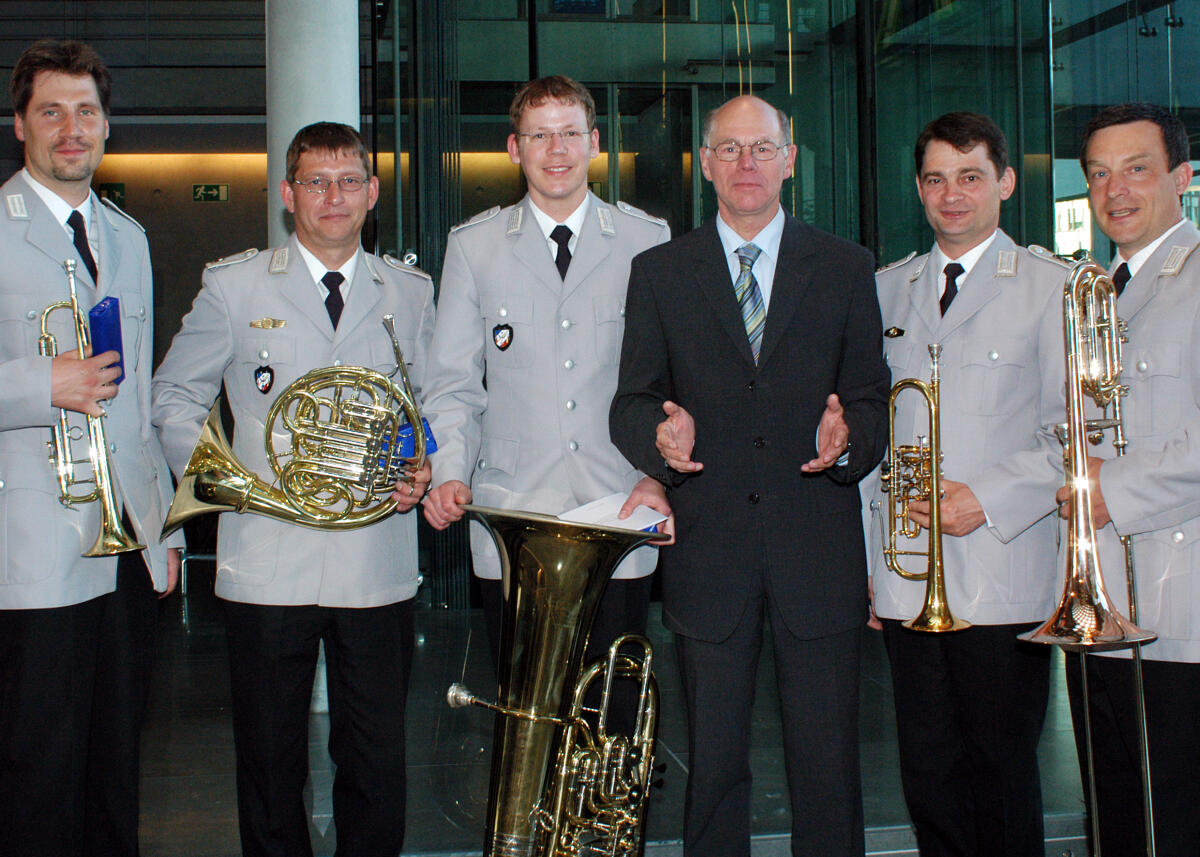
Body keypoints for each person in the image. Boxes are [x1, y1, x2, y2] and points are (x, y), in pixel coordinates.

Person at [609, 94, 889, 857]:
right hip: (710, 555)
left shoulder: (844, 266)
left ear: (790, 160)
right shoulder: (661, 273)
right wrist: (658, 438)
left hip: (817, 555)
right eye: (728, 150)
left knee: (829, 771)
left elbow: (871, 399)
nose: (745, 164)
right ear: (704, 165)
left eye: (761, 148)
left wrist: (850, 437)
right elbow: (629, 400)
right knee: (715, 771)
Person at [151, 122, 434, 857]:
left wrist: (429, 460)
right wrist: (231, 478)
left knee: (376, 763)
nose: (333, 196)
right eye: (316, 181)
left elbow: (439, 403)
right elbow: (172, 398)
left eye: (348, 180)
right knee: (271, 766)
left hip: (376, 560)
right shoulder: (234, 285)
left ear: (373, 192)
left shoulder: (410, 290)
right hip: (268, 557)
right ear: (288, 194)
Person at [421, 75, 673, 673]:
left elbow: (669, 380)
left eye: (568, 134)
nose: (556, 151)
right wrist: (450, 471)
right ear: (515, 148)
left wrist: (657, 476)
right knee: (523, 713)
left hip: (618, 505)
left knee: (612, 706)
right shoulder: (474, 246)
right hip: (515, 515)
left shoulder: (648, 239)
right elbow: (453, 382)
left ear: (594, 142)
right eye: (539, 136)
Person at [865, 112, 1066, 857]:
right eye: (937, 179)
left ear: (1005, 182)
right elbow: (870, 442)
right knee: (927, 772)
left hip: (1004, 568)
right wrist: (869, 567)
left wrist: (990, 497)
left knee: (1002, 769)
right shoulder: (885, 291)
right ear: (919, 189)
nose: (953, 195)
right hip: (908, 575)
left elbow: (1077, 434)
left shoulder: (1051, 287)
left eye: (971, 176)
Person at [0, 39, 181, 856]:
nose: (70, 128)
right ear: (20, 126)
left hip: (125, 551)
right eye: (51, 112)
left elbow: (137, 405)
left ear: (107, 127)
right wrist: (43, 384)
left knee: (116, 768)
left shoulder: (129, 238)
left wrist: (165, 527)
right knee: (38, 773)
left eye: (85, 112)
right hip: (31, 551)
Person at [1058, 102, 1199, 857]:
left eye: (1137, 168)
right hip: (1103, 600)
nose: (1116, 189)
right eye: (1100, 174)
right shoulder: (1099, 289)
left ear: (1182, 176)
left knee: (1174, 814)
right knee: (1114, 810)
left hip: (1182, 604)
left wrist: (1114, 487)